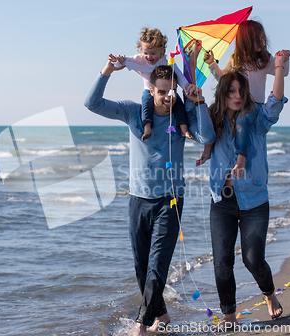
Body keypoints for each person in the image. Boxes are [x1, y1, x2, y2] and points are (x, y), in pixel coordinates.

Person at [85, 61, 214, 335]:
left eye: (172, 92)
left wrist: (198, 102)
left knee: (157, 265)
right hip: (138, 200)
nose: (168, 97)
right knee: (142, 267)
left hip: (171, 200)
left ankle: (140, 324)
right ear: (151, 90)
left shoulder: (180, 118)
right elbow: (92, 104)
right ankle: (161, 314)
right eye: (162, 92)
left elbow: (207, 136)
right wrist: (107, 71)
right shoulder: (134, 113)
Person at [195, 51, 287, 330]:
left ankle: (269, 293)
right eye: (231, 90)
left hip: (255, 201)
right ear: (224, 93)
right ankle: (229, 316)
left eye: (240, 91)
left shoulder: (257, 118)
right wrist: (195, 95)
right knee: (222, 262)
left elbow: (275, 104)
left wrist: (280, 68)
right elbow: (199, 132)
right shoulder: (214, 119)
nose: (236, 95)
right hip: (221, 199)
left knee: (252, 259)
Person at [199, 19, 290, 178]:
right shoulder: (235, 59)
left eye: (262, 38)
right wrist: (211, 63)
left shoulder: (264, 59)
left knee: (242, 121)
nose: (261, 42)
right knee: (214, 117)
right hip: (238, 104)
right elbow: (224, 80)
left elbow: (283, 73)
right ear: (245, 41)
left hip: (255, 107)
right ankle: (208, 150)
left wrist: (284, 61)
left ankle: (241, 159)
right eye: (256, 39)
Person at [110, 27, 199, 141]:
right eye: (145, 52)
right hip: (149, 90)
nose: (149, 56)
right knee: (146, 106)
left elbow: (178, 75)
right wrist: (118, 59)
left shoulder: (166, 60)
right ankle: (147, 129)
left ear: (161, 51)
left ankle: (184, 130)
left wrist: (187, 86)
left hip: (166, 91)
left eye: (153, 53)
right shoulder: (140, 60)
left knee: (179, 105)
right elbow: (123, 63)